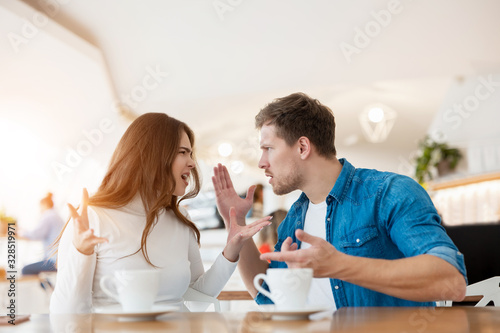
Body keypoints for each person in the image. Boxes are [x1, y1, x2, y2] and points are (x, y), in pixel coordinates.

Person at [212, 92, 467, 311]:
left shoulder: (389, 193)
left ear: (302, 147)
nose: (261, 162)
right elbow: (269, 295)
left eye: (268, 148)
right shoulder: (295, 217)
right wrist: (236, 221)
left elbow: (450, 280)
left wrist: (340, 265)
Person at [50, 113, 271, 314]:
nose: (192, 163)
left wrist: (232, 248)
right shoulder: (93, 218)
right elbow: (66, 316)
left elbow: (198, 297)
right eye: (183, 153)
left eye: (191, 154)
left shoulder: (181, 218)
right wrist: (81, 253)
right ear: (151, 156)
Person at [20, 193, 64, 275]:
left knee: (25, 270)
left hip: (53, 261)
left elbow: (36, 234)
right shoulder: (57, 216)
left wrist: (21, 232)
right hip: (60, 259)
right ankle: (47, 285)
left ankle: (46, 285)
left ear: (44, 204)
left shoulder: (48, 216)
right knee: (36, 267)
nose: (39, 209)